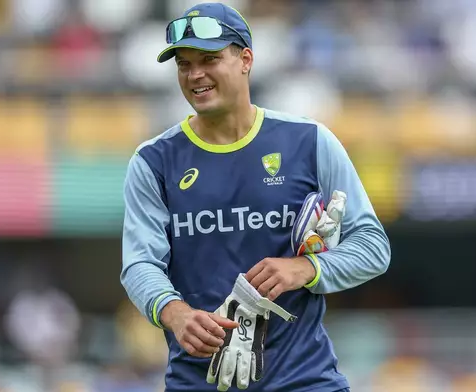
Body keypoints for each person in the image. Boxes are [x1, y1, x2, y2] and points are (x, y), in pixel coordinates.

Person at [120, 3, 391, 391]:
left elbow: (372, 247)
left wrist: (304, 269)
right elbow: (139, 264)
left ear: (245, 59)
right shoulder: (154, 161)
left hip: (306, 379)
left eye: (209, 59)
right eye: (184, 64)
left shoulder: (310, 142)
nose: (195, 74)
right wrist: (175, 312)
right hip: (201, 381)